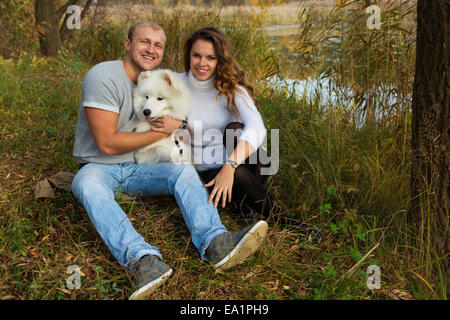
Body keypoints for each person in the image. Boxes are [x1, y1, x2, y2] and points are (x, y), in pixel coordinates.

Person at [71, 21, 268, 300]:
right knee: (85, 183)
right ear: (128, 44)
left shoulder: (156, 81)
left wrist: (181, 126)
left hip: (142, 165)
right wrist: (162, 131)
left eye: (158, 45)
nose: (150, 49)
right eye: (144, 42)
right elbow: (106, 143)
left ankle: (216, 241)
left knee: (182, 170)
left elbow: (181, 117)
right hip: (99, 166)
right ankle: (142, 261)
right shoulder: (103, 76)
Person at [179, 27, 277, 221]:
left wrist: (229, 166)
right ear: (188, 55)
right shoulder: (175, 84)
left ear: (220, 60)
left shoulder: (231, 88)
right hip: (204, 167)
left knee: (237, 132)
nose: (202, 63)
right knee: (239, 173)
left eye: (210, 58)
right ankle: (287, 221)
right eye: (196, 55)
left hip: (233, 162)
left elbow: (257, 126)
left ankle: (242, 204)